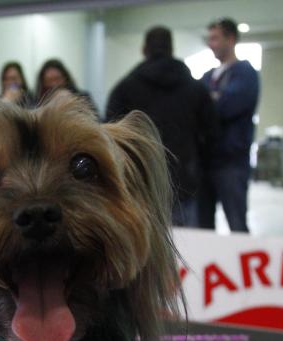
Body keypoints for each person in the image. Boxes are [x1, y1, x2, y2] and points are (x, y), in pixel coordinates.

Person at [106, 26, 217, 227]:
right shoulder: (196, 88)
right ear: (171, 48)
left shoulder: (124, 88)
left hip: (141, 181)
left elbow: (109, 136)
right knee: (190, 248)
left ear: (144, 49)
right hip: (186, 179)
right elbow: (211, 132)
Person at [199, 17, 260, 233]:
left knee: (236, 222)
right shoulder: (207, 76)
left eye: (215, 38)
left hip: (231, 163)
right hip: (205, 162)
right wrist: (212, 99)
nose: (211, 44)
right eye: (209, 39)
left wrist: (211, 102)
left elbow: (225, 107)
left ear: (231, 39)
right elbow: (198, 109)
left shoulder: (245, 73)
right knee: (202, 227)